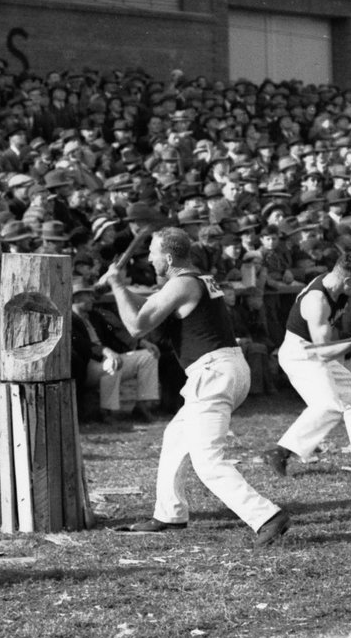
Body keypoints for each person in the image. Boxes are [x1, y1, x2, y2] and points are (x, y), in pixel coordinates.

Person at [102, 226, 288, 543]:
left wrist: (118, 287)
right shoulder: (196, 279)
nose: (149, 259)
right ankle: (169, 514)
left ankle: (267, 516)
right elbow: (152, 303)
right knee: (176, 438)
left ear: (169, 257)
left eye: (153, 253)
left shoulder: (182, 284)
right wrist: (121, 290)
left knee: (208, 461)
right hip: (225, 367)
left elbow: (137, 326)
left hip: (213, 373)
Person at [267, 245, 351, 474]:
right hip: (300, 354)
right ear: (348, 279)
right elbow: (322, 352)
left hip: (316, 350)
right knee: (328, 406)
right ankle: (280, 451)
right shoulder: (317, 300)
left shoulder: (344, 286)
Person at [70, 282, 160, 424]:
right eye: (88, 296)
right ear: (75, 299)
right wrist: (105, 351)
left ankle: (142, 405)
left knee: (148, 356)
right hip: (88, 365)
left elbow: (117, 334)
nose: (92, 299)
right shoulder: (69, 319)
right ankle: (107, 411)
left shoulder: (95, 316)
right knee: (113, 363)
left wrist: (141, 342)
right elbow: (80, 343)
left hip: (107, 360)